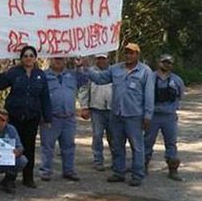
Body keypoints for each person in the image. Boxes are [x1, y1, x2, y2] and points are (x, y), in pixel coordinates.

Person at [84, 42, 154, 186]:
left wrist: (148, 115)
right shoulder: (116, 69)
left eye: (132, 53)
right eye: (126, 53)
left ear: (137, 55)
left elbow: (149, 95)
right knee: (117, 145)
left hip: (134, 116)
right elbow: (100, 79)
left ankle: (137, 174)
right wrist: (85, 67)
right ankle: (119, 172)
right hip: (116, 114)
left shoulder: (145, 71)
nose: (128, 55)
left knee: (137, 146)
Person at [0, 45, 52, 188]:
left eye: (31, 55)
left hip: (32, 116)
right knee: (10, 147)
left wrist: (48, 117)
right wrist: (2, 70)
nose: (28, 58)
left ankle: (28, 178)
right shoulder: (14, 72)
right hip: (14, 115)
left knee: (29, 147)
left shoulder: (40, 75)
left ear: (35, 58)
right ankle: (9, 178)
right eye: (25, 55)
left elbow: (45, 97)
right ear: (21, 58)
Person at [38, 57, 87, 182]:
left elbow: (84, 80)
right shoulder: (43, 76)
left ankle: (69, 171)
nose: (58, 60)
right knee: (47, 146)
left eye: (61, 58)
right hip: (51, 118)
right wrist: (42, 116)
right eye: (56, 58)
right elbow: (38, 96)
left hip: (68, 118)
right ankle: (46, 171)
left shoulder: (72, 75)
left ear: (65, 60)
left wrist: (80, 66)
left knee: (69, 146)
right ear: (50, 59)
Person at [144, 54, 186, 181]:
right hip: (153, 116)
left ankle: (173, 170)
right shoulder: (150, 78)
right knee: (147, 142)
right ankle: (143, 166)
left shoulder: (177, 80)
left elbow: (180, 95)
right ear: (158, 62)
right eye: (164, 62)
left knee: (171, 143)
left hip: (169, 116)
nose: (166, 64)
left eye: (169, 63)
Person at [79, 53, 113, 171]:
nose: (101, 61)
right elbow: (84, 89)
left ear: (108, 59)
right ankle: (98, 160)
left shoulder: (114, 72)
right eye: (99, 58)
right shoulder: (90, 72)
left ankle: (116, 160)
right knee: (97, 135)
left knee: (114, 137)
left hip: (112, 109)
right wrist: (84, 107)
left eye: (104, 58)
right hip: (96, 109)